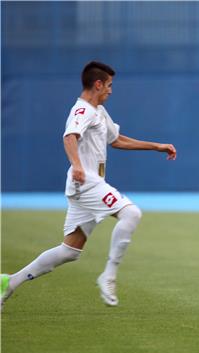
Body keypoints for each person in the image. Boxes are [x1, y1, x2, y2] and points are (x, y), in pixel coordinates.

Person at [1, 61, 177, 309]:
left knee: (69, 251)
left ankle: (9, 282)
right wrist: (77, 166)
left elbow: (116, 140)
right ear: (98, 84)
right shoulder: (82, 110)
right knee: (131, 213)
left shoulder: (99, 111)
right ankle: (109, 275)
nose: (111, 91)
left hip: (88, 184)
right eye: (109, 85)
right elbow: (69, 136)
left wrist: (156, 146)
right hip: (87, 183)